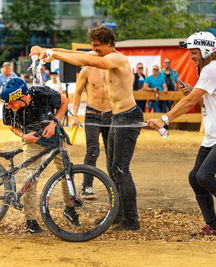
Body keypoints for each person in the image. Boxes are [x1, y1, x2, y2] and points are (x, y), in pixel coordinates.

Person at [30, 25, 143, 231]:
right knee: (112, 168)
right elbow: (76, 54)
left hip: (128, 117)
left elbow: (86, 59)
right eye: (93, 46)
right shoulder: (104, 55)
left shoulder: (117, 59)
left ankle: (131, 220)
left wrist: (52, 54)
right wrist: (46, 50)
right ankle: (117, 216)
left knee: (120, 169)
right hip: (116, 117)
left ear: (109, 44)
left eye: (97, 46)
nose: (95, 49)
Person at [148, 31, 216, 236]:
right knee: (195, 178)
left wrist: (164, 119)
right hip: (212, 136)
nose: (190, 56)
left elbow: (188, 103)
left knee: (204, 176)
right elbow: (204, 100)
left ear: (206, 50)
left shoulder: (211, 69)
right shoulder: (207, 70)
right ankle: (213, 225)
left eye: (194, 52)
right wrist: (193, 92)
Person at [0, 77, 78, 233]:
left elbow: (64, 102)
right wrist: (24, 136)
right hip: (32, 140)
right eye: (6, 103)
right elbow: (11, 125)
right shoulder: (8, 105)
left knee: (66, 172)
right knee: (31, 178)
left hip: (55, 137)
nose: (8, 106)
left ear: (22, 95)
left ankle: (70, 209)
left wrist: (54, 122)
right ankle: (30, 221)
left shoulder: (43, 93)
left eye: (11, 102)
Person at [72, 66, 112, 200]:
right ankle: (87, 187)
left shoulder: (112, 69)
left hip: (111, 115)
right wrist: (75, 115)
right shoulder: (87, 70)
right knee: (93, 151)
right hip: (92, 115)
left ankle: (115, 186)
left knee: (112, 152)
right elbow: (77, 93)